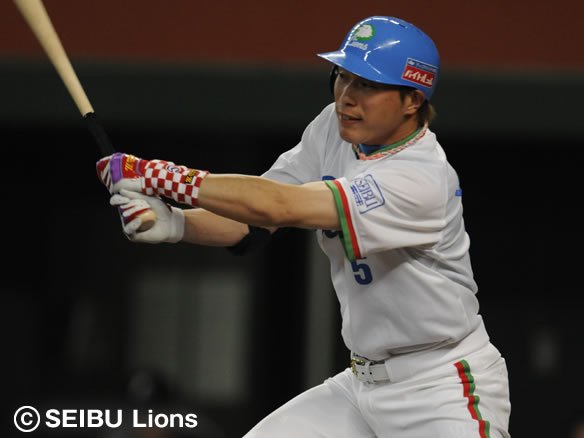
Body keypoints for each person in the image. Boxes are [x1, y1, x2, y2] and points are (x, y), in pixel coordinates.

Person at [96, 16, 511, 438]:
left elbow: (279, 206)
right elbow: (255, 220)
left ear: (412, 100)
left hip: (440, 385)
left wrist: (158, 176)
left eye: (368, 84)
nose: (347, 97)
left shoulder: (421, 177)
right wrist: (176, 223)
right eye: (343, 76)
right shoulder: (333, 127)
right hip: (361, 384)